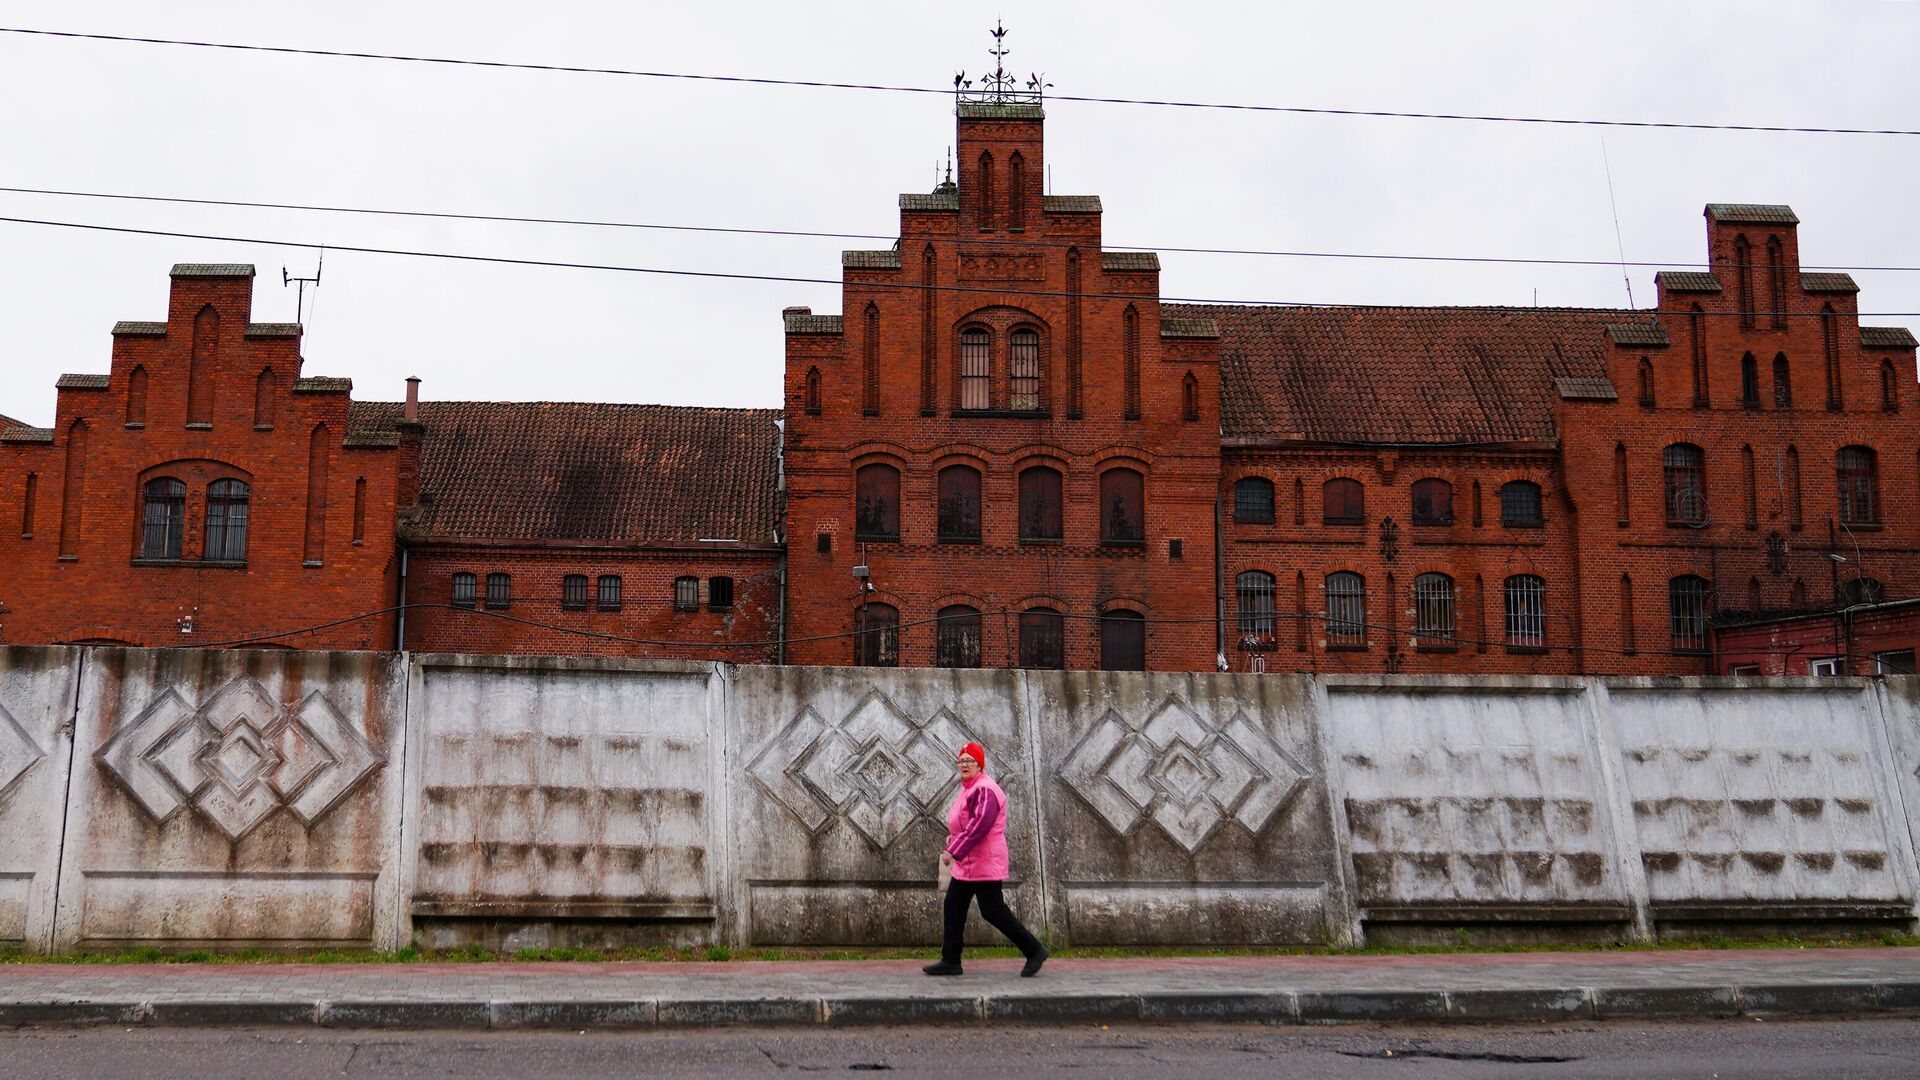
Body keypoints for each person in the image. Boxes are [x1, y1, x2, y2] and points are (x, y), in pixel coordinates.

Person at [923, 741, 1049, 977]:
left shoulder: (984, 789)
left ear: (980, 765)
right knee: (953, 905)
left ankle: (1034, 949)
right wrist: (955, 837)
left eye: (970, 760)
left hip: (983, 862)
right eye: (961, 760)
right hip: (969, 863)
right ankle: (950, 960)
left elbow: (980, 824)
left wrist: (955, 849)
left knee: (993, 910)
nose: (964, 764)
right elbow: (967, 822)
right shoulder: (970, 788)